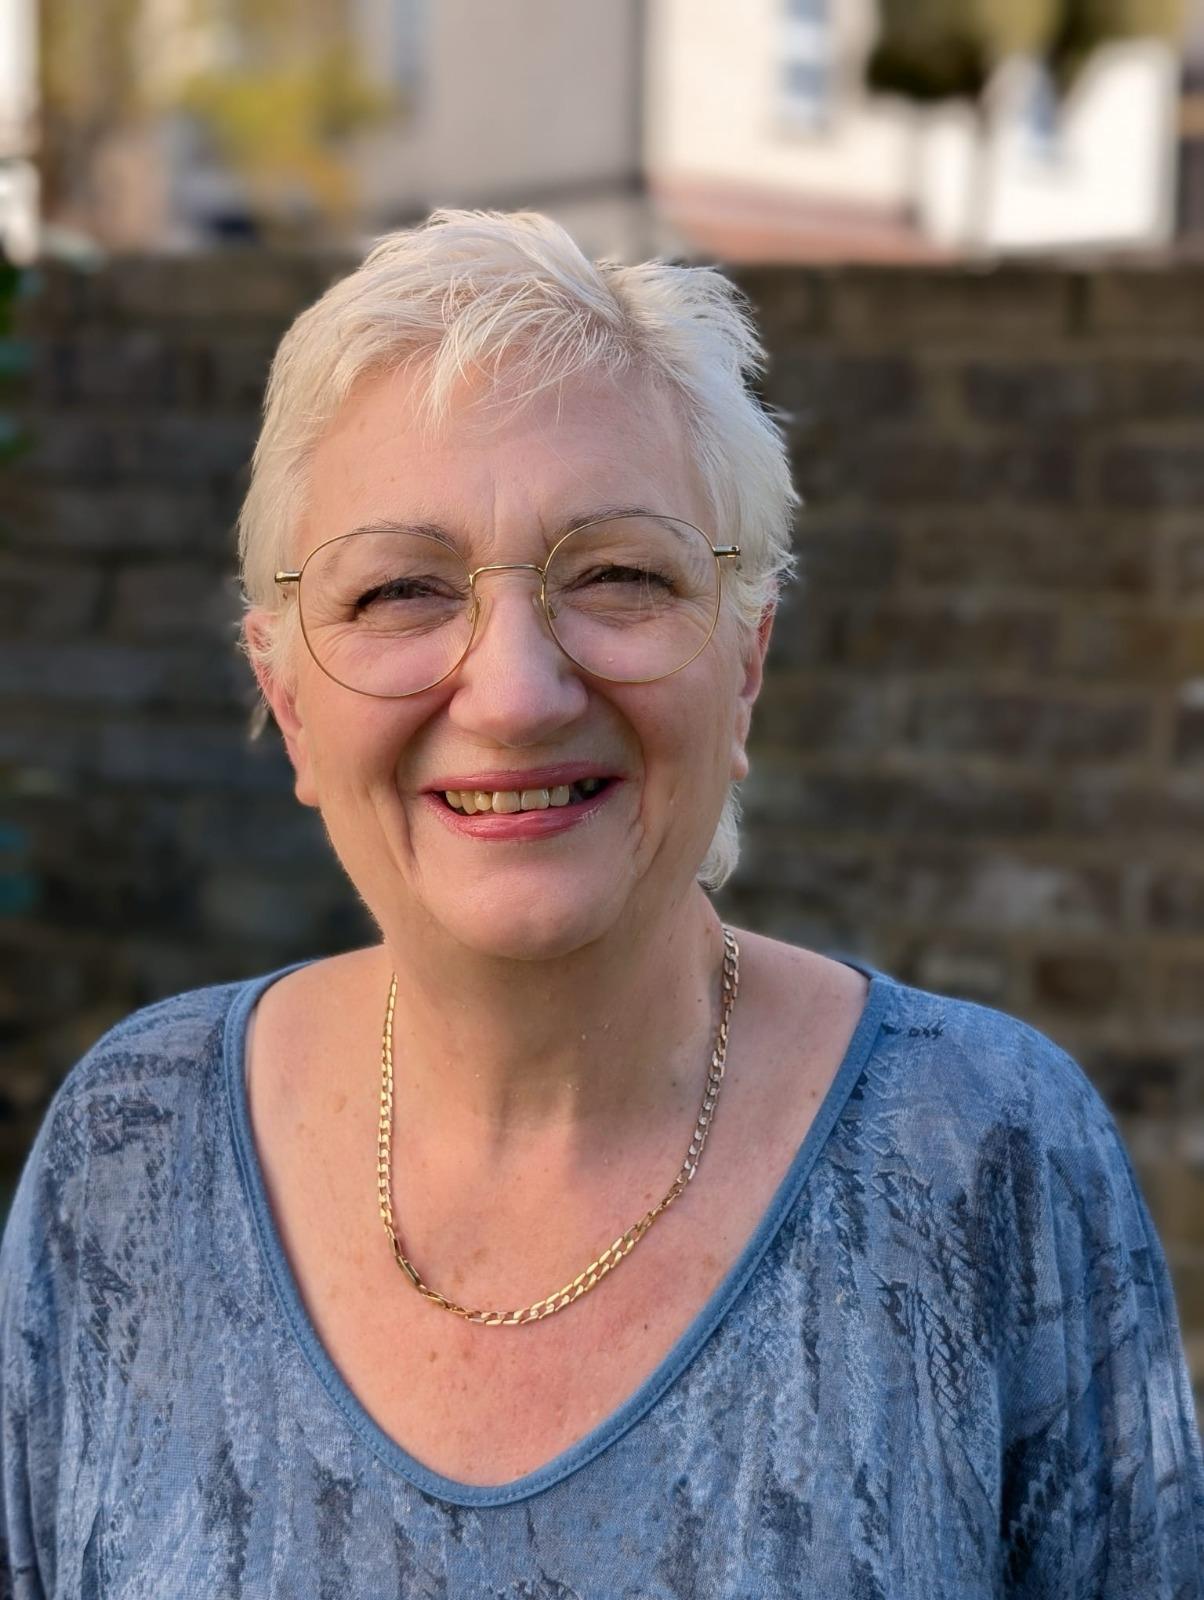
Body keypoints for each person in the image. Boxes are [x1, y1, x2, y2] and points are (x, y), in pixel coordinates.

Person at [1, 210, 1201, 1599]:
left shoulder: (989, 1152)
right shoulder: (129, 1153)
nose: (515, 692)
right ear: (288, 697)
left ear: (745, 665)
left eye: (620, 575)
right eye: (400, 590)